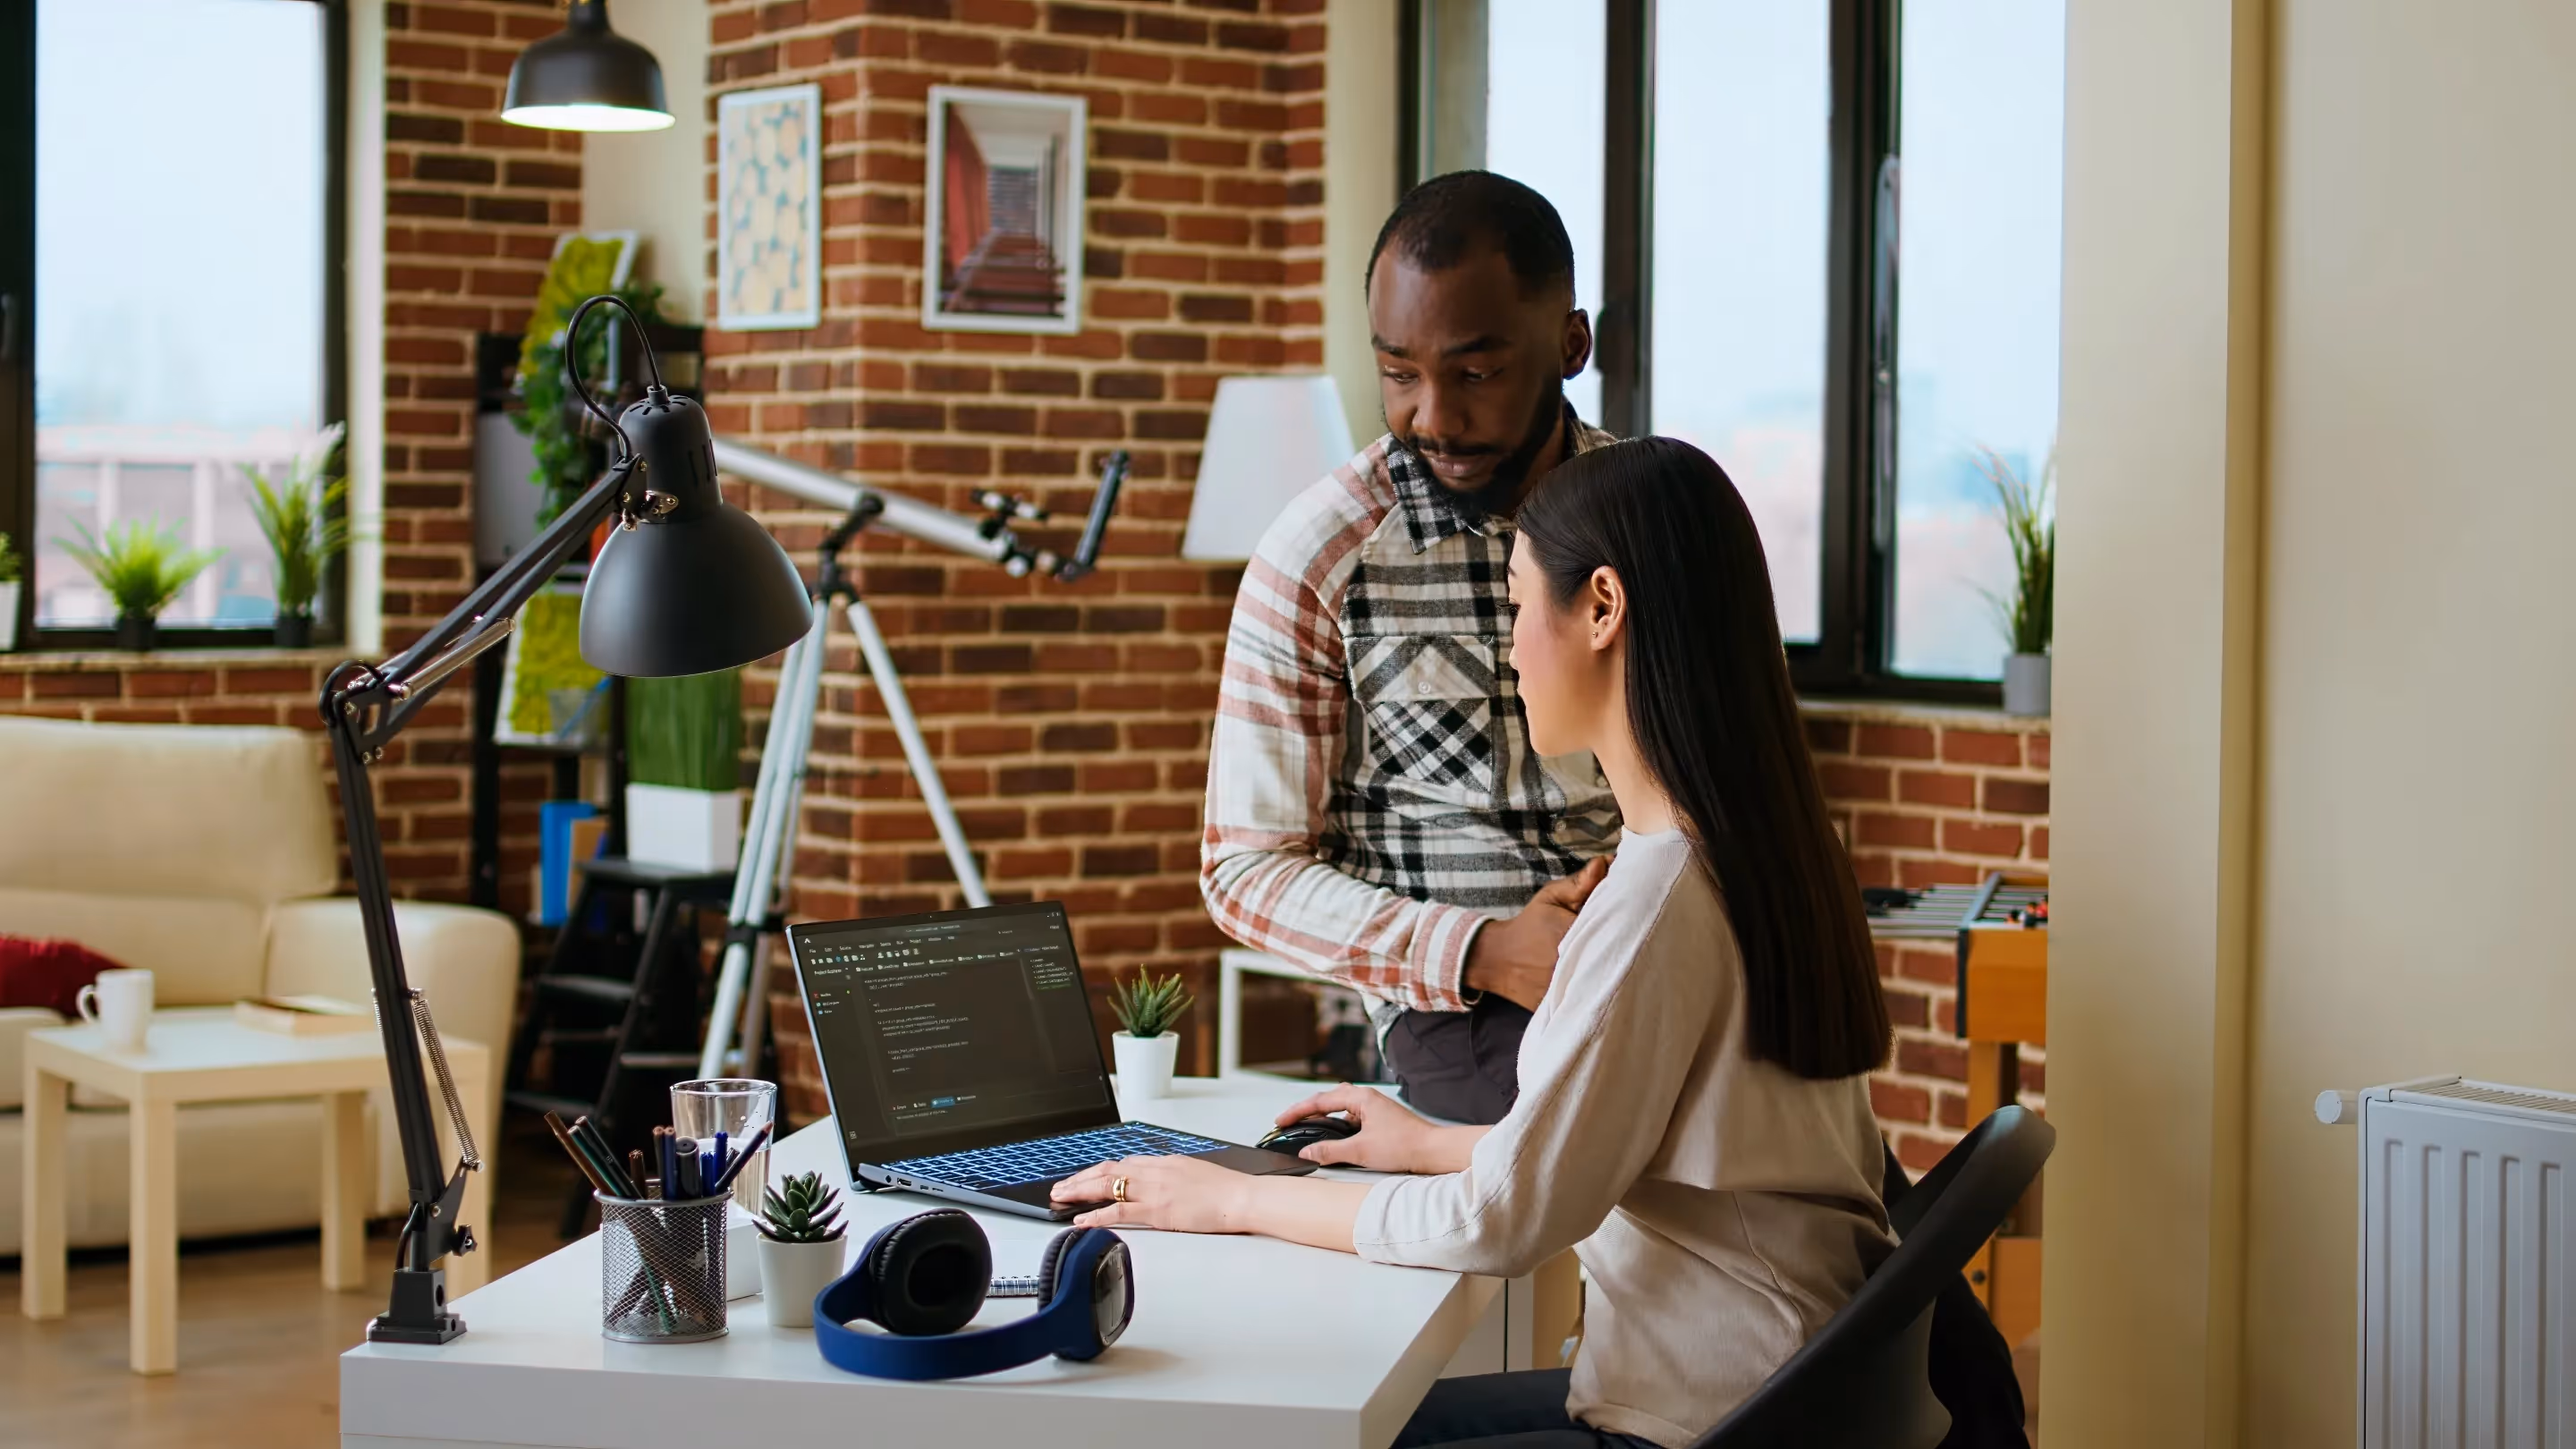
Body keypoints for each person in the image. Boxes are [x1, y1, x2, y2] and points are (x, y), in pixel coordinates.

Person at [1069, 436, 1897, 1447]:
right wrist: (1424, 1142)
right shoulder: (1749, 849)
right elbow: (1641, 1153)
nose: (1509, 649)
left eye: (1515, 606)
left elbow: (1498, 1224)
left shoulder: (1659, 899)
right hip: (1786, 1388)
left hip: (1706, 1419)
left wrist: (1238, 1201)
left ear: (1601, 607)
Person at [1201, 171, 1623, 1124]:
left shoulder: (1657, 526)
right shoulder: (1317, 558)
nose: (1433, 415)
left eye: (1475, 374)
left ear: (1570, 343)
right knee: (1604, 1155)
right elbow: (1244, 870)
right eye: (1400, 374)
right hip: (1463, 1009)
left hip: (1659, 954)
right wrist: (1482, 949)